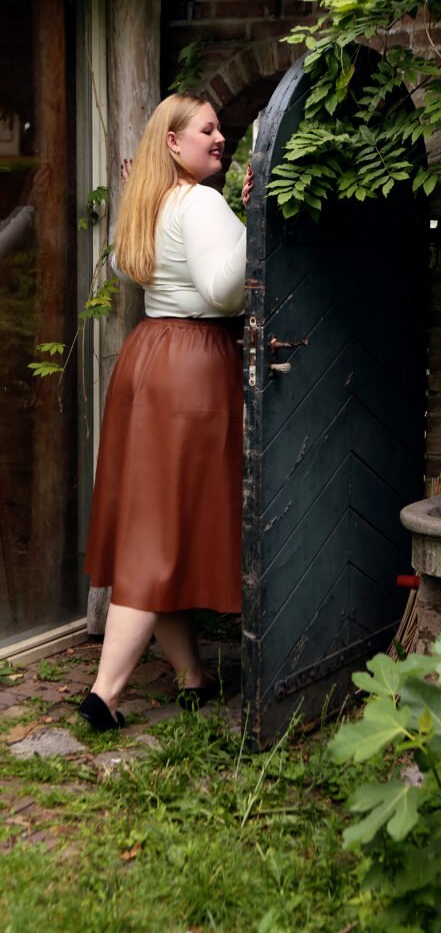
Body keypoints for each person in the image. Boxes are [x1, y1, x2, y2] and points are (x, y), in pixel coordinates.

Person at [78, 93, 253, 732]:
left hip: (149, 356)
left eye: (220, 128)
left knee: (162, 522)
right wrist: (256, 216)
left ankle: (193, 675)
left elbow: (137, 267)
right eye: (207, 129)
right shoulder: (200, 202)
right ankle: (105, 693)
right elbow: (223, 288)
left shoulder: (151, 201)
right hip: (191, 367)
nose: (221, 137)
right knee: (156, 536)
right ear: (173, 143)